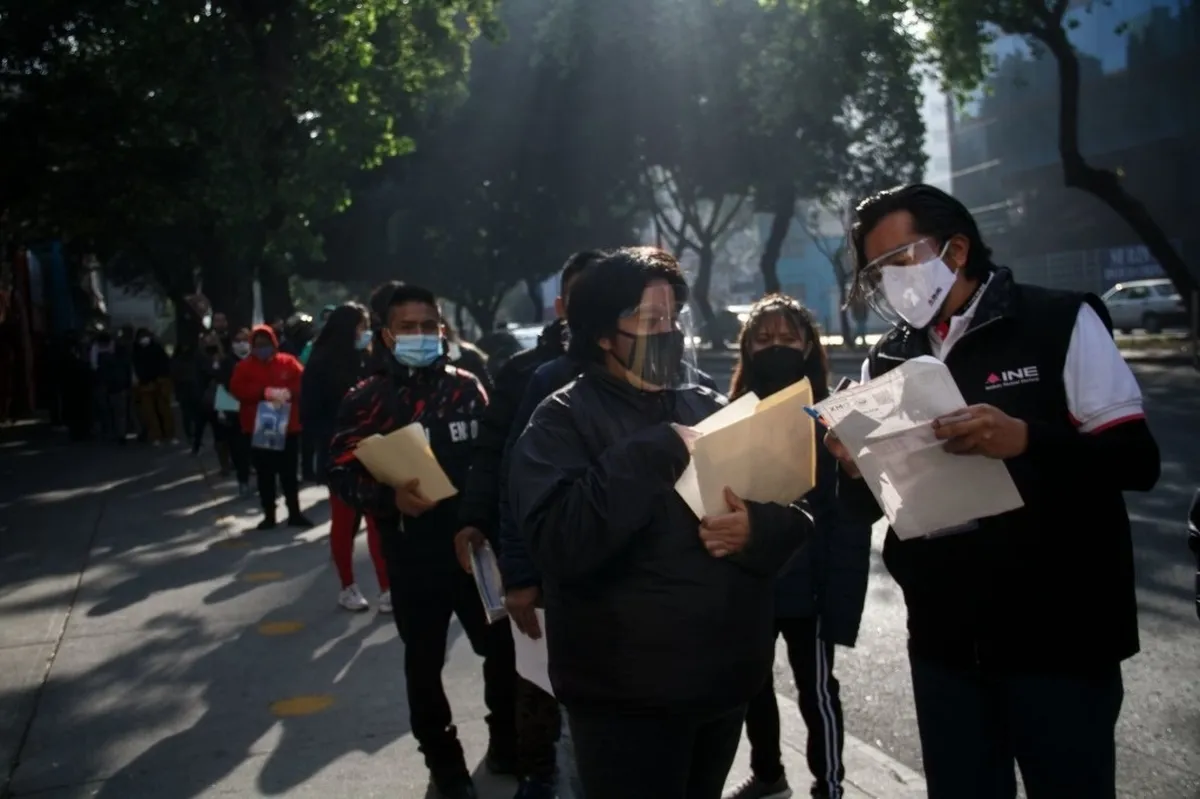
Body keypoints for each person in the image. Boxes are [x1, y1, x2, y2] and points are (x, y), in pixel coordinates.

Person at [827, 183, 1161, 799]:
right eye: (876, 275)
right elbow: (871, 509)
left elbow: (1136, 461)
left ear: (954, 251)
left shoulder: (1058, 321)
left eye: (898, 262)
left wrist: (1027, 440)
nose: (890, 285)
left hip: (1061, 638)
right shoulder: (887, 360)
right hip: (944, 644)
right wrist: (853, 468)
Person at [508, 247, 813, 799]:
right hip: (626, 702)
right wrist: (653, 452)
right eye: (651, 322)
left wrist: (756, 531)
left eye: (674, 319)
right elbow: (560, 541)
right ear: (604, 333)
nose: (668, 333)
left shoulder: (708, 405)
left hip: (722, 687)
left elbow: (791, 515)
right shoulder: (560, 419)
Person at [327, 284, 517, 799]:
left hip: (473, 544)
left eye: (428, 325)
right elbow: (340, 471)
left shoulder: (467, 386)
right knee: (424, 661)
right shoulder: (365, 400)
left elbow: (490, 459)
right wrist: (389, 499)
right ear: (386, 335)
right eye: (407, 327)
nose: (420, 335)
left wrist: (484, 521)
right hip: (412, 552)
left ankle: (506, 742)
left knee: (500, 649)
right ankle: (445, 762)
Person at [454, 249, 604, 799]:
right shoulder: (529, 375)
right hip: (542, 565)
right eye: (584, 298)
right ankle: (534, 772)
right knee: (534, 680)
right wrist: (481, 527)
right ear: (563, 305)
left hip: (614, 577)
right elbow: (498, 458)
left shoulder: (657, 374)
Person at [722, 296, 872, 799]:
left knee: (818, 692)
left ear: (809, 346)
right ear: (746, 348)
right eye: (763, 340)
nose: (776, 348)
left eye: (788, 339)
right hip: (752, 582)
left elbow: (851, 512)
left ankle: (828, 786)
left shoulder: (833, 417)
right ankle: (769, 776)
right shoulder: (730, 416)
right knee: (753, 687)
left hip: (810, 588)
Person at [301, 302, 390, 613]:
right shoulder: (321, 363)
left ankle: (386, 588)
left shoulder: (369, 360)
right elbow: (310, 415)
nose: (366, 334)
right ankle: (348, 586)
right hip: (339, 453)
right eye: (362, 327)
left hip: (373, 450)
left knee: (377, 521)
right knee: (344, 521)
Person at [229, 325, 313, 530]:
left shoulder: (288, 362)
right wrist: (263, 393)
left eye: (266, 344)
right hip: (259, 427)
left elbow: (303, 383)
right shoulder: (244, 367)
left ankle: (294, 513)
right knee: (265, 475)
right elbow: (237, 390)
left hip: (287, 428)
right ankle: (269, 515)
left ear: (274, 343)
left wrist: (286, 393)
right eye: (258, 345)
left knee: (289, 474)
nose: (262, 348)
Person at [217, 327, 254, 495]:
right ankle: (243, 481)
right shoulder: (227, 362)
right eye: (237, 341)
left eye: (245, 340)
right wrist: (222, 410)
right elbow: (222, 386)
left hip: (257, 412)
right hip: (235, 414)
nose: (241, 344)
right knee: (239, 450)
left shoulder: (258, 360)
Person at [191, 332, 231, 473]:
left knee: (223, 431)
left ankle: (226, 464)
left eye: (213, 339)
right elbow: (200, 377)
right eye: (207, 339)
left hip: (222, 397)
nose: (210, 342)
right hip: (206, 399)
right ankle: (197, 447)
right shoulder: (200, 358)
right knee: (208, 428)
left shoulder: (223, 358)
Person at [131, 327, 177, 445]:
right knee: (150, 413)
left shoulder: (155, 348)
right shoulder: (137, 350)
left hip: (157, 382)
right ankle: (157, 436)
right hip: (147, 383)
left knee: (164, 411)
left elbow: (164, 364)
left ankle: (168, 434)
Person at [91, 329, 133, 444]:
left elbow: (95, 367)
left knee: (112, 411)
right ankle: (120, 434)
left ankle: (116, 433)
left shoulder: (101, 353)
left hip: (110, 386)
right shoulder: (118, 352)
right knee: (118, 412)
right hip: (115, 386)